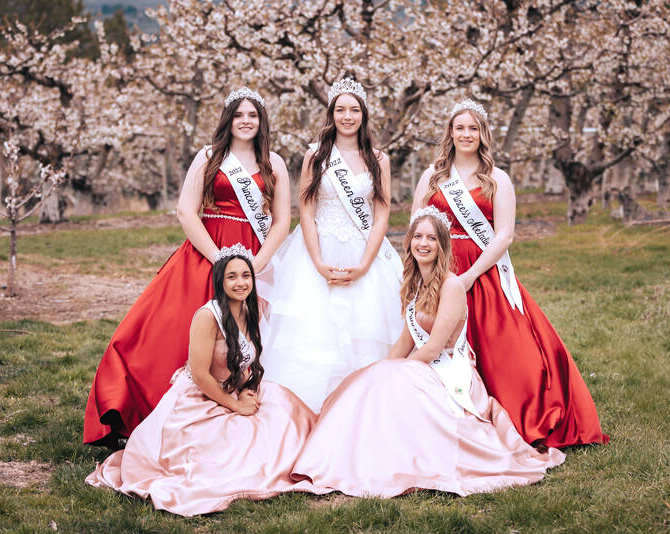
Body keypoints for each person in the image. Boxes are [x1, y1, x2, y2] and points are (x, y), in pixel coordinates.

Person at [291, 208, 565, 498]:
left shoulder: (452, 286)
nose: (423, 243)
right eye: (418, 236)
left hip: (448, 372)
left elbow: (434, 347)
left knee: (390, 383)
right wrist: (378, 373)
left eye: (431, 238)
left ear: (442, 245)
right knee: (365, 385)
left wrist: (394, 374)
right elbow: (404, 343)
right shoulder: (414, 285)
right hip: (422, 367)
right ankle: (349, 460)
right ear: (409, 242)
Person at [84, 88, 291, 446]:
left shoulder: (275, 163)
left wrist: (255, 264)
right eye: (239, 115)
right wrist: (220, 261)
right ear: (229, 119)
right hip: (207, 253)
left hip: (255, 260)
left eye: (253, 115)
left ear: (262, 121)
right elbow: (185, 210)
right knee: (165, 330)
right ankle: (143, 413)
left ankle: (238, 416)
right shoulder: (209, 156)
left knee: (251, 339)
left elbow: (283, 220)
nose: (246, 121)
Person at [411, 99, 608, 447]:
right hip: (439, 265)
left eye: (473, 128)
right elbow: (417, 223)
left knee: (505, 351)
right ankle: (446, 418)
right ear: (450, 133)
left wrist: (471, 275)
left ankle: (514, 418)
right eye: (460, 128)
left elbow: (504, 234)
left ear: (483, 134)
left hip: (482, 270)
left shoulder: (496, 179)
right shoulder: (433, 176)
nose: (466, 134)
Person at [86, 245, 328, 516]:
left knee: (285, 412)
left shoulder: (252, 311)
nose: (240, 283)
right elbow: (201, 375)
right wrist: (234, 405)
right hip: (200, 396)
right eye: (232, 277)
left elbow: (248, 359)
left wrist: (247, 390)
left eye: (246, 276)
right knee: (225, 455)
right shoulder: (207, 316)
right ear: (220, 280)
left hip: (234, 388)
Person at [259, 78, 403, 412]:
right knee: (314, 337)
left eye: (354, 110)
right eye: (341, 109)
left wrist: (365, 264)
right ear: (331, 113)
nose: (347, 116)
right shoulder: (316, 155)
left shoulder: (378, 158)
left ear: (363, 115)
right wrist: (319, 263)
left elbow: (381, 215)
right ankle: (310, 411)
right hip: (316, 254)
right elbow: (306, 212)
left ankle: (361, 410)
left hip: (365, 255)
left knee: (364, 334)